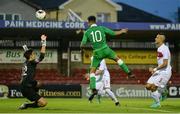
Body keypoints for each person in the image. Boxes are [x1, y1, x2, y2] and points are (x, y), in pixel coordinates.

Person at [80, 16, 134, 93]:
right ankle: (129, 73)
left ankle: (93, 88)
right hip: (106, 49)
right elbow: (113, 33)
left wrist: (82, 49)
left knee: (92, 71)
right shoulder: (102, 28)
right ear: (95, 21)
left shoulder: (87, 32)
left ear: (88, 22)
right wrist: (121, 31)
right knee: (117, 59)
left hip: (97, 53)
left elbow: (82, 44)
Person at [18, 34, 47, 110]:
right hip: (26, 87)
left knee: (39, 84)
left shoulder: (27, 62)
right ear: (30, 56)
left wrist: (24, 47)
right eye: (34, 54)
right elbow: (42, 56)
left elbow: (27, 53)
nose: (35, 55)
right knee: (44, 103)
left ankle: (34, 97)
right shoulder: (32, 62)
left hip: (27, 84)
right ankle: (26, 105)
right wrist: (43, 42)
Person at [145, 33, 171, 108]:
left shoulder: (165, 48)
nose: (155, 39)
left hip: (165, 72)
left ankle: (157, 103)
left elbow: (165, 63)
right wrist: (155, 69)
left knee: (153, 87)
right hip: (159, 71)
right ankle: (163, 92)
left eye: (157, 37)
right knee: (148, 86)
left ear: (161, 39)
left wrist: (155, 69)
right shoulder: (159, 48)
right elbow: (161, 63)